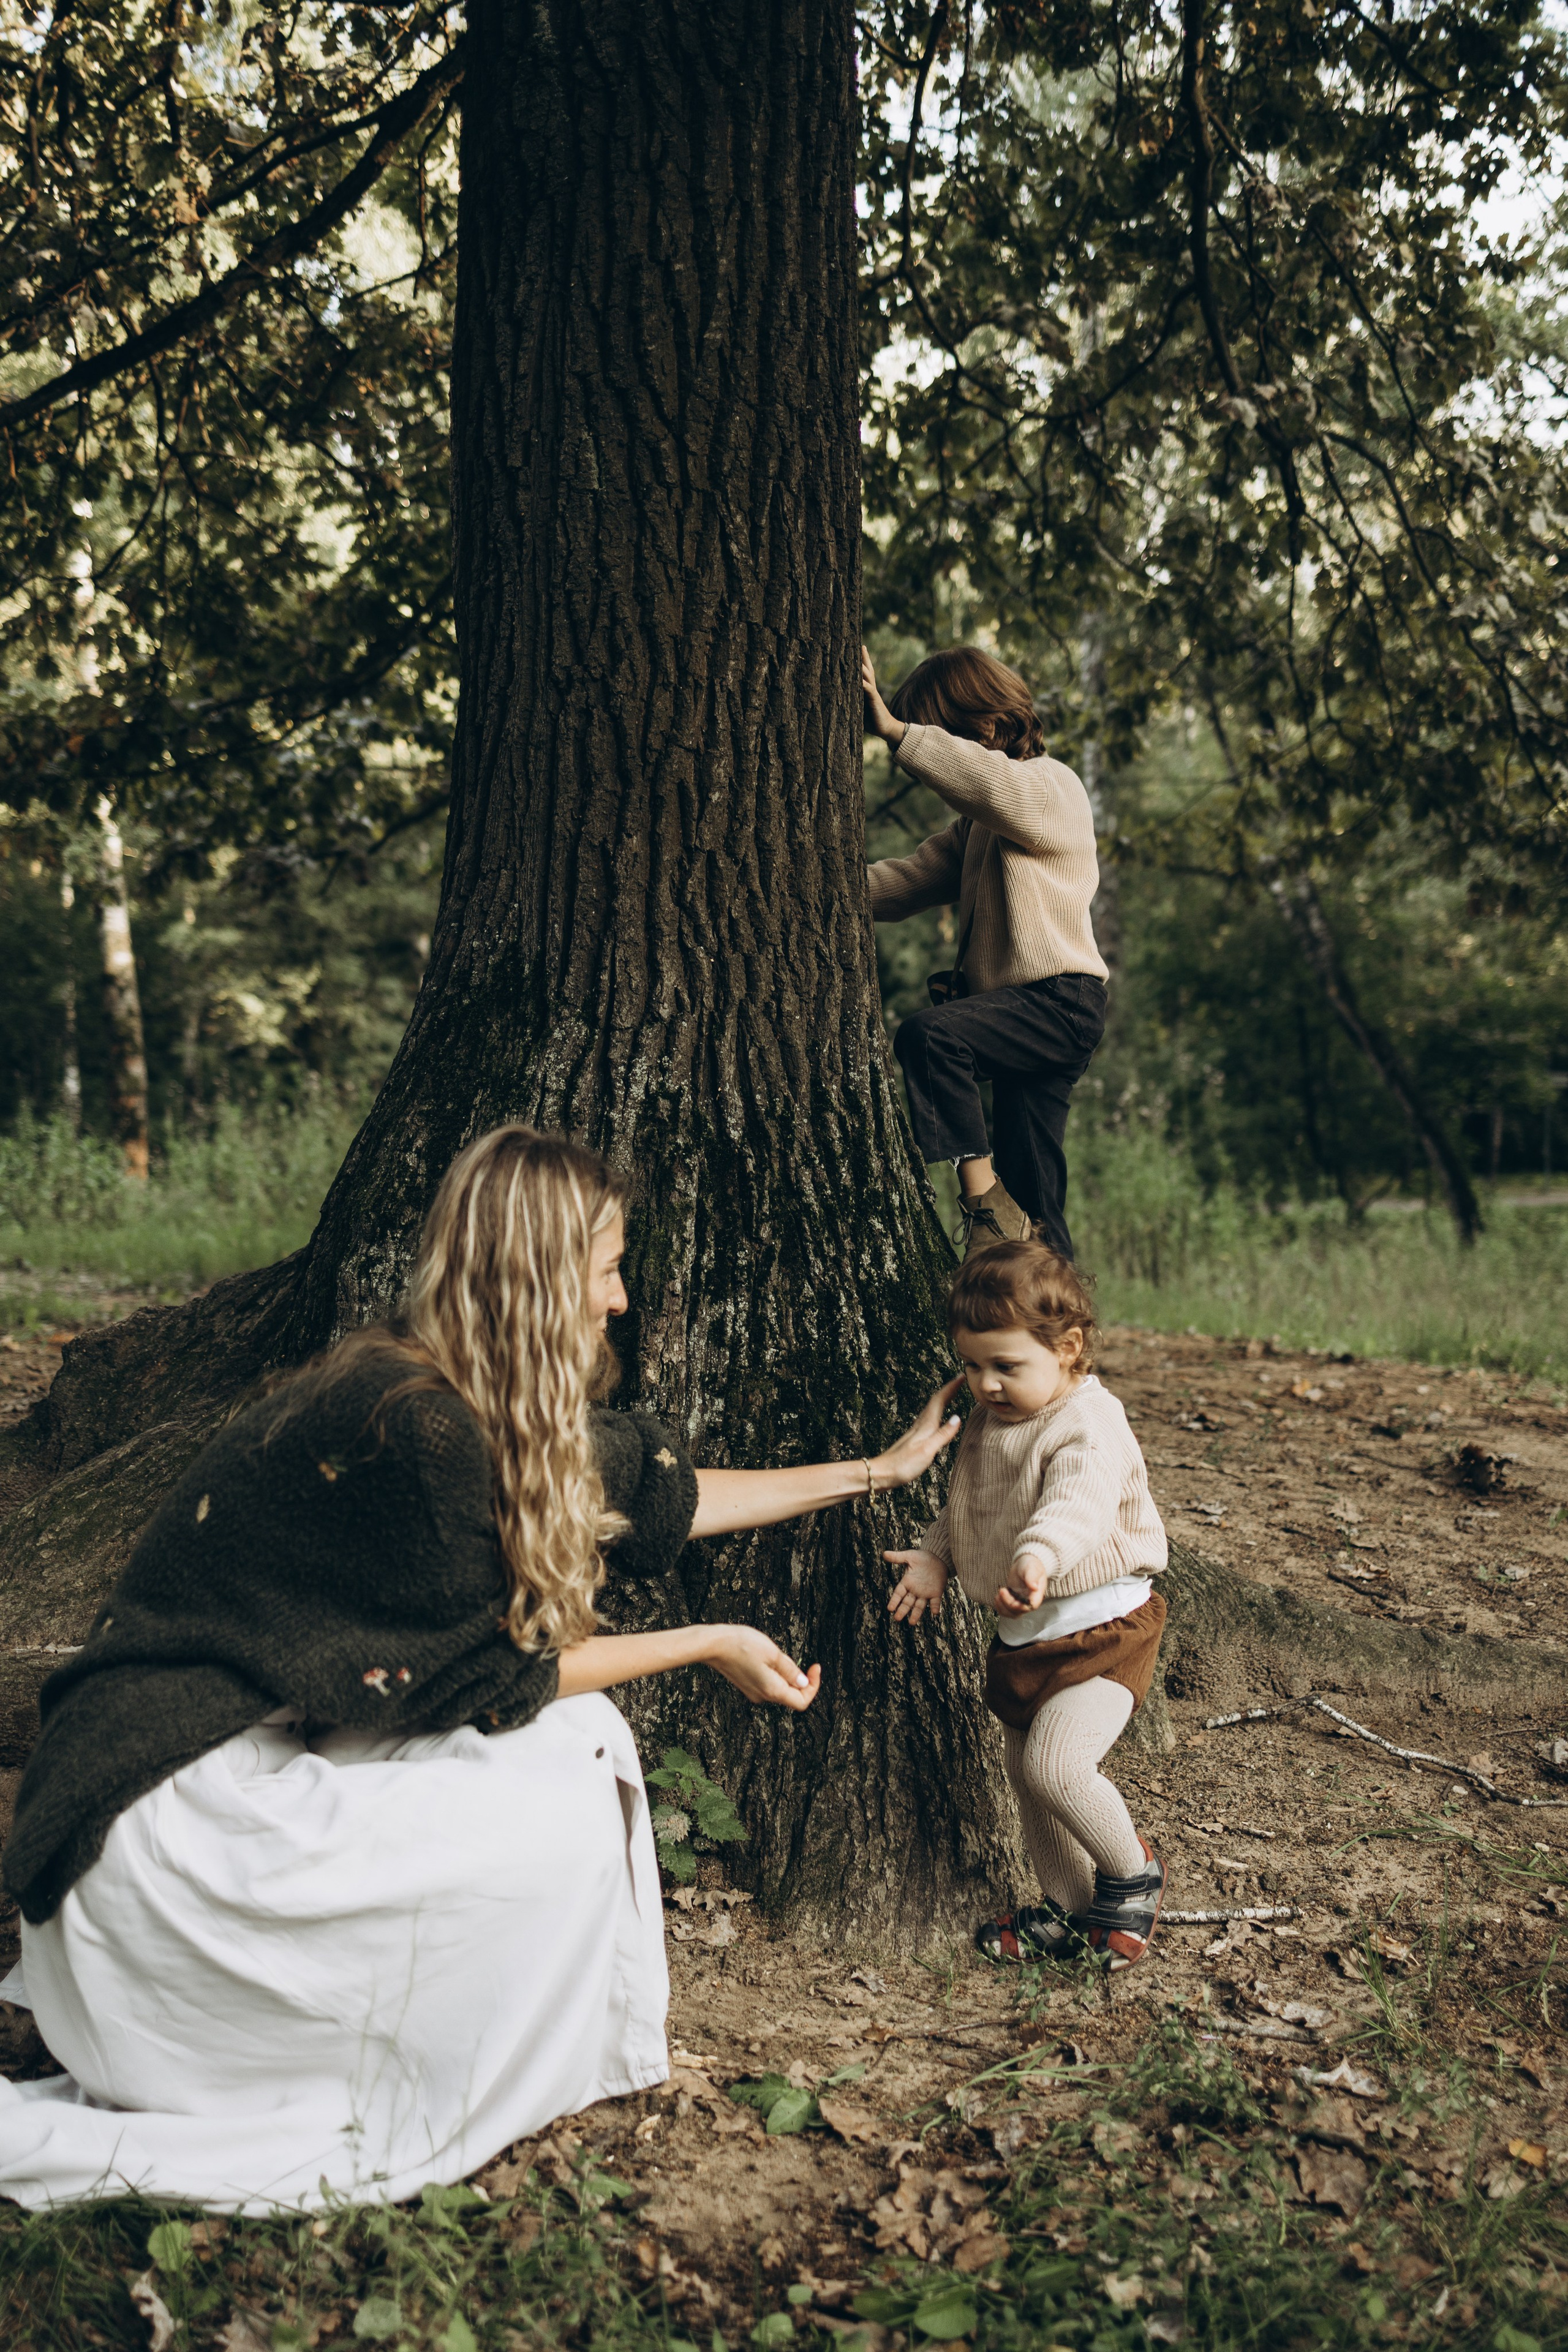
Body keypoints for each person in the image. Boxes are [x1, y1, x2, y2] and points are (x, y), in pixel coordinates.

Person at [0, 1126, 962, 2212]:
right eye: (607, 1269)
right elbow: (499, 1686)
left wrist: (877, 1472)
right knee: (569, 1756)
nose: (622, 1300)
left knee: (574, 1748)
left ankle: (426, 2046)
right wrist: (710, 1642)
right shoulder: (421, 1432)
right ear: (540, 1275)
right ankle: (345, 2067)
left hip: (217, 1761)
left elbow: (659, 1491)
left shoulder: (456, 1390)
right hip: (159, 1822)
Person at [881, 1240, 1168, 1969]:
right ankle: (1068, 1909)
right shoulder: (993, 1419)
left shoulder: (1088, 1422)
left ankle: (1131, 1875)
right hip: (1026, 1638)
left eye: (1006, 1366)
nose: (986, 1384)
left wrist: (1038, 1556)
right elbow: (973, 1504)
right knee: (1028, 1782)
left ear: (1067, 1349)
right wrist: (937, 1555)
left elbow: (1078, 1503)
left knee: (1055, 1768)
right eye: (972, 1365)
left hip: (1103, 1631)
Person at [862, 643, 1108, 1261]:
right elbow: (903, 883)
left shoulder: (1051, 787)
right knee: (1036, 1201)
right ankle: (1054, 1310)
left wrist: (896, 733)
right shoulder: (977, 832)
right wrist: (802, 890)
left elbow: (992, 786)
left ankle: (984, 1203)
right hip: (1020, 1015)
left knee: (931, 1038)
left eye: (941, 736)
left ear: (989, 730)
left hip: (1058, 1002)